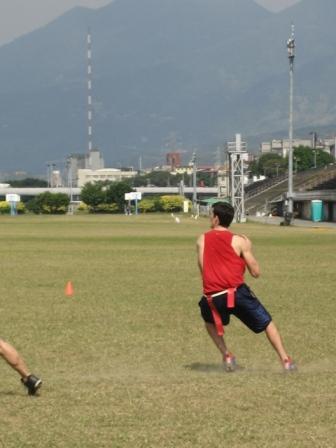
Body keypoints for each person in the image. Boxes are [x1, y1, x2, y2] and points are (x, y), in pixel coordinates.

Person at [197, 201, 296, 372]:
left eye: (211, 214)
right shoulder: (240, 241)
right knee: (267, 323)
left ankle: (226, 355)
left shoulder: (202, 239)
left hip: (212, 297)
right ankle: (285, 360)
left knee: (209, 321)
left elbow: (202, 268)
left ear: (216, 219)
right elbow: (255, 272)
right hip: (236, 293)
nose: (209, 217)